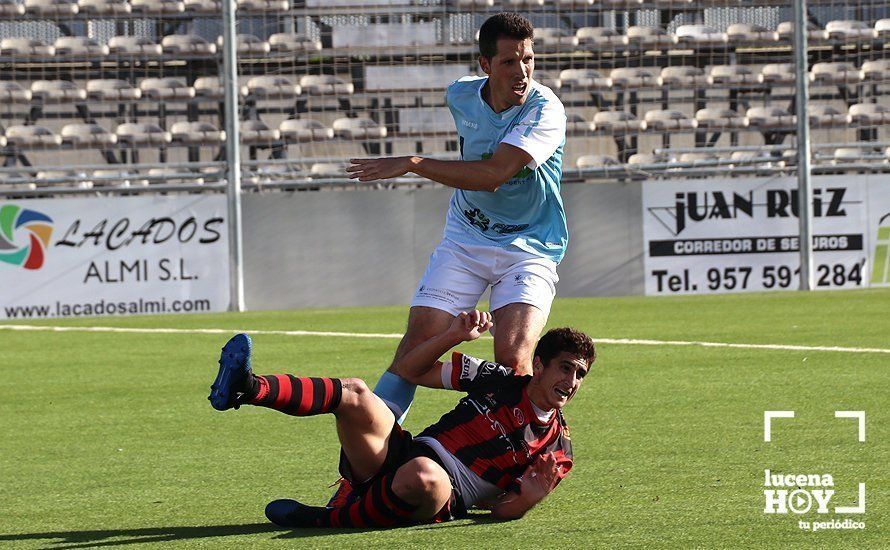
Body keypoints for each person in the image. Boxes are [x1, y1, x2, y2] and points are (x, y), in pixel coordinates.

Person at [346, 12, 569, 427]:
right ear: (485, 65)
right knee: (416, 346)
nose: (522, 72)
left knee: (514, 358)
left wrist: (413, 163)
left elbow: (492, 176)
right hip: (466, 239)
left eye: (529, 59)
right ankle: (369, 458)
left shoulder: (546, 111)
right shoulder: (460, 95)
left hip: (530, 247)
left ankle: (505, 461)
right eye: (509, 62)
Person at [208, 311, 595, 528]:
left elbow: (500, 511)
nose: (571, 382)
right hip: (401, 453)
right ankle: (248, 388)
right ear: (540, 365)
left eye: (580, 374)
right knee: (356, 393)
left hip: (443, 494)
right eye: (565, 368)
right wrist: (454, 336)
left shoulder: (557, 451)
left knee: (424, 476)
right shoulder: (499, 379)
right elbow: (410, 370)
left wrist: (530, 498)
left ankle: (329, 518)